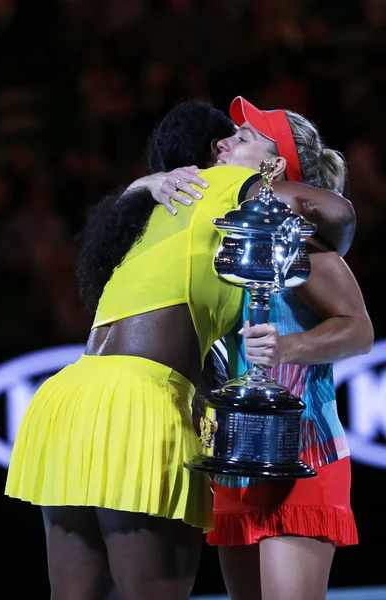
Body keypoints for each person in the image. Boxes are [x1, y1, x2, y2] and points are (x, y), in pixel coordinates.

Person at [4, 100, 273, 600]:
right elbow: (331, 210)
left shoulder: (145, 208)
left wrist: (139, 184)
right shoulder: (228, 184)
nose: (255, 145)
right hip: (139, 403)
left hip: (68, 400)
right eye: (247, 137)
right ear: (220, 149)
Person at [140, 97, 373, 600]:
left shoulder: (301, 241)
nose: (223, 142)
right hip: (235, 454)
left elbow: (359, 331)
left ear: (272, 167)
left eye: (243, 138)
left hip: (305, 452)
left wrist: (285, 347)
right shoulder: (220, 239)